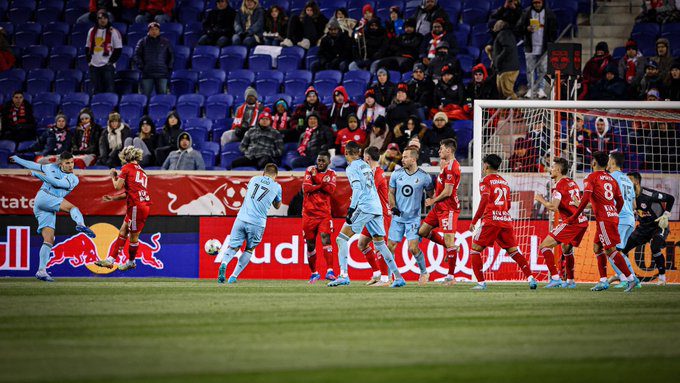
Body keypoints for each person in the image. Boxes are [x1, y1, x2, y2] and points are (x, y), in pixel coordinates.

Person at [10, 153, 96, 282]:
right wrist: (17, 159)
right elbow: (33, 165)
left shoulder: (73, 179)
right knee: (73, 209)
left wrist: (37, 175)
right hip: (45, 197)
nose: (71, 165)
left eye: (72, 162)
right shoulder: (50, 167)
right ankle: (81, 224)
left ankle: (41, 271)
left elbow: (57, 182)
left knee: (49, 239)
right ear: (60, 163)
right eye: (67, 163)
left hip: (43, 203)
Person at [331, 143, 405, 287]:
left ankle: (343, 275)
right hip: (377, 208)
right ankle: (398, 277)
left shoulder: (352, 167)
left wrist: (352, 209)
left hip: (365, 207)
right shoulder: (365, 166)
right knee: (380, 244)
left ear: (346, 153)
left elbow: (358, 188)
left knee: (341, 238)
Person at [566, 151, 638, 292]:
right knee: (597, 248)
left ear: (593, 163)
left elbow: (586, 198)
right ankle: (603, 281)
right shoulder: (611, 179)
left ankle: (630, 278)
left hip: (605, 219)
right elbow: (620, 200)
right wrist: (614, 212)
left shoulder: (591, 177)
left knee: (611, 250)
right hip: (611, 217)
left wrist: (574, 217)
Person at [469, 154, 538, 290]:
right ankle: (530, 278)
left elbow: (484, 200)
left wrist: (475, 220)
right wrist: (501, 213)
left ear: (486, 165)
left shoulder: (485, 180)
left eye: (484, 164)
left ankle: (481, 283)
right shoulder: (504, 182)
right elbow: (509, 204)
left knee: (475, 250)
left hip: (491, 220)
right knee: (514, 251)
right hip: (505, 220)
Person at [217, 164, 282, 283]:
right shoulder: (277, 187)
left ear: (263, 173)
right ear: (276, 175)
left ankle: (224, 263)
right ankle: (233, 277)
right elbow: (277, 206)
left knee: (233, 246)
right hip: (257, 222)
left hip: (241, 218)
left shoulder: (253, 179)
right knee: (249, 249)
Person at [534, 158, 588, 289]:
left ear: (558, 170)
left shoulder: (559, 186)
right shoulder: (572, 183)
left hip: (572, 222)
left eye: (552, 168)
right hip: (582, 221)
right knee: (566, 249)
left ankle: (555, 278)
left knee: (544, 246)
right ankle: (570, 281)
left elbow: (553, 207)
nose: (550, 170)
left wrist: (540, 199)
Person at [96, 146, 152, 271]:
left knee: (133, 237)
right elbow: (131, 192)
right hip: (141, 205)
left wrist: (113, 176)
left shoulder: (127, 168)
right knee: (123, 231)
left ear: (125, 157)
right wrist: (113, 199)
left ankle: (131, 261)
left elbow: (117, 186)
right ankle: (110, 260)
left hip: (136, 207)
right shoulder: (142, 171)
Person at [388, 147, 434, 284]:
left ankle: (424, 273)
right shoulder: (396, 174)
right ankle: (390, 276)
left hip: (413, 218)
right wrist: (393, 206)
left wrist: (431, 204)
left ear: (413, 159)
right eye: (402, 157)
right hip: (397, 217)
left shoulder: (424, 177)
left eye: (405, 157)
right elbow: (391, 192)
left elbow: (432, 195)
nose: (402, 160)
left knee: (413, 248)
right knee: (390, 246)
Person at [417, 139, 460, 285]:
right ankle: (451, 248)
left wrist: (432, 200)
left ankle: (451, 277)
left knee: (449, 240)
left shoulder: (452, 167)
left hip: (448, 208)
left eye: (441, 149)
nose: (439, 151)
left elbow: (448, 192)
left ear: (449, 150)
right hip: (439, 207)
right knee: (422, 231)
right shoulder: (444, 165)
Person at [622, 172, 675, 285]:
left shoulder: (649, 194)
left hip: (658, 226)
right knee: (622, 250)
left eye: (628, 180)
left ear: (636, 182)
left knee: (655, 247)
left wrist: (666, 214)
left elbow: (670, 198)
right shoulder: (629, 196)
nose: (626, 182)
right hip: (643, 228)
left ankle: (662, 277)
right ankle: (627, 278)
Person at [606, 152, 640, 289]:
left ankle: (626, 278)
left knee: (611, 251)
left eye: (609, 160)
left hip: (620, 218)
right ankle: (631, 278)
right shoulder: (627, 179)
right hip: (630, 219)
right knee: (619, 252)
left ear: (613, 162)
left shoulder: (611, 177)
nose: (607, 163)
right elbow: (634, 205)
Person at [302, 152, 337, 283]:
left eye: (323, 161)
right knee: (310, 245)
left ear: (329, 162)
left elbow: (331, 190)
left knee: (325, 239)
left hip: (324, 214)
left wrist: (315, 182)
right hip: (308, 214)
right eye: (319, 160)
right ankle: (314, 273)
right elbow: (306, 188)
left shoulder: (332, 174)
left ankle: (330, 271)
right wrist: (322, 184)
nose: (320, 163)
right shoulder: (310, 169)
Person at [517, 0, 557, 99]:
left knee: (542, 70)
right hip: (530, 47)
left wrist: (550, 43)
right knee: (530, 70)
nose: (537, 5)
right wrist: (526, 29)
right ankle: (531, 89)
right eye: (535, 3)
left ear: (542, 3)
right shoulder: (526, 12)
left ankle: (541, 89)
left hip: (544, 47)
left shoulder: (549, 14)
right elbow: (518, 27)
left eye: (539, 2)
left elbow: (554, 30)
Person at [85, 10, 122, 95]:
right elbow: (87, 47)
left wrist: (110, 62)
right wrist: (89, 62)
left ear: (108, 19)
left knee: (109, 90)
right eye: (100, 18)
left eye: (104, 18)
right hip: (94, 65)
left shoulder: (113, 32)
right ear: (97, 20)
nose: (102, 20)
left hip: (107, 66)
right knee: (96, 90)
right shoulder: (91, 31)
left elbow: (118, 49)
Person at [134, 22, 174, 98]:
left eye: (156, 29)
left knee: (162, 97)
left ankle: (161, 110)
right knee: (145, 97)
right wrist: (142, 66)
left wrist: (168, 67)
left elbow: (171, 55)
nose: (154, 31)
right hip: (147, 74)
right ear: (148, 31)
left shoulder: (166, 42)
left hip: (162, 73)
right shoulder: (142, 42)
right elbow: (136, 55)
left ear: (159, 31)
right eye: (152, 29)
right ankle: (145, 110)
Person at [491, 20, 519, 100]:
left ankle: (520, 110)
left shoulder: (503, 34)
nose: (494, 26)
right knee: (502, 93)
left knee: (507, 92)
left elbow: (508, 48)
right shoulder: (504, 34)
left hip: (507, 68)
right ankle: (505, 112)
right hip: (504, 68)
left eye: (496, 24)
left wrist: (497, 60)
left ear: (500, 26)